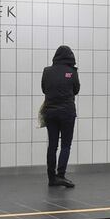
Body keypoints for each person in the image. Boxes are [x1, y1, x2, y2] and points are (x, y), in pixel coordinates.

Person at [41, 45, 80, 188]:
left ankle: (51, 177)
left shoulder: (47, 71)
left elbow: (44, 89)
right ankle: (61, 175)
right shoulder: (72, 72)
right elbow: (76, 90)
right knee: (65, 145)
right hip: (67, 113)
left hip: (50, 112)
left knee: (52, 145)